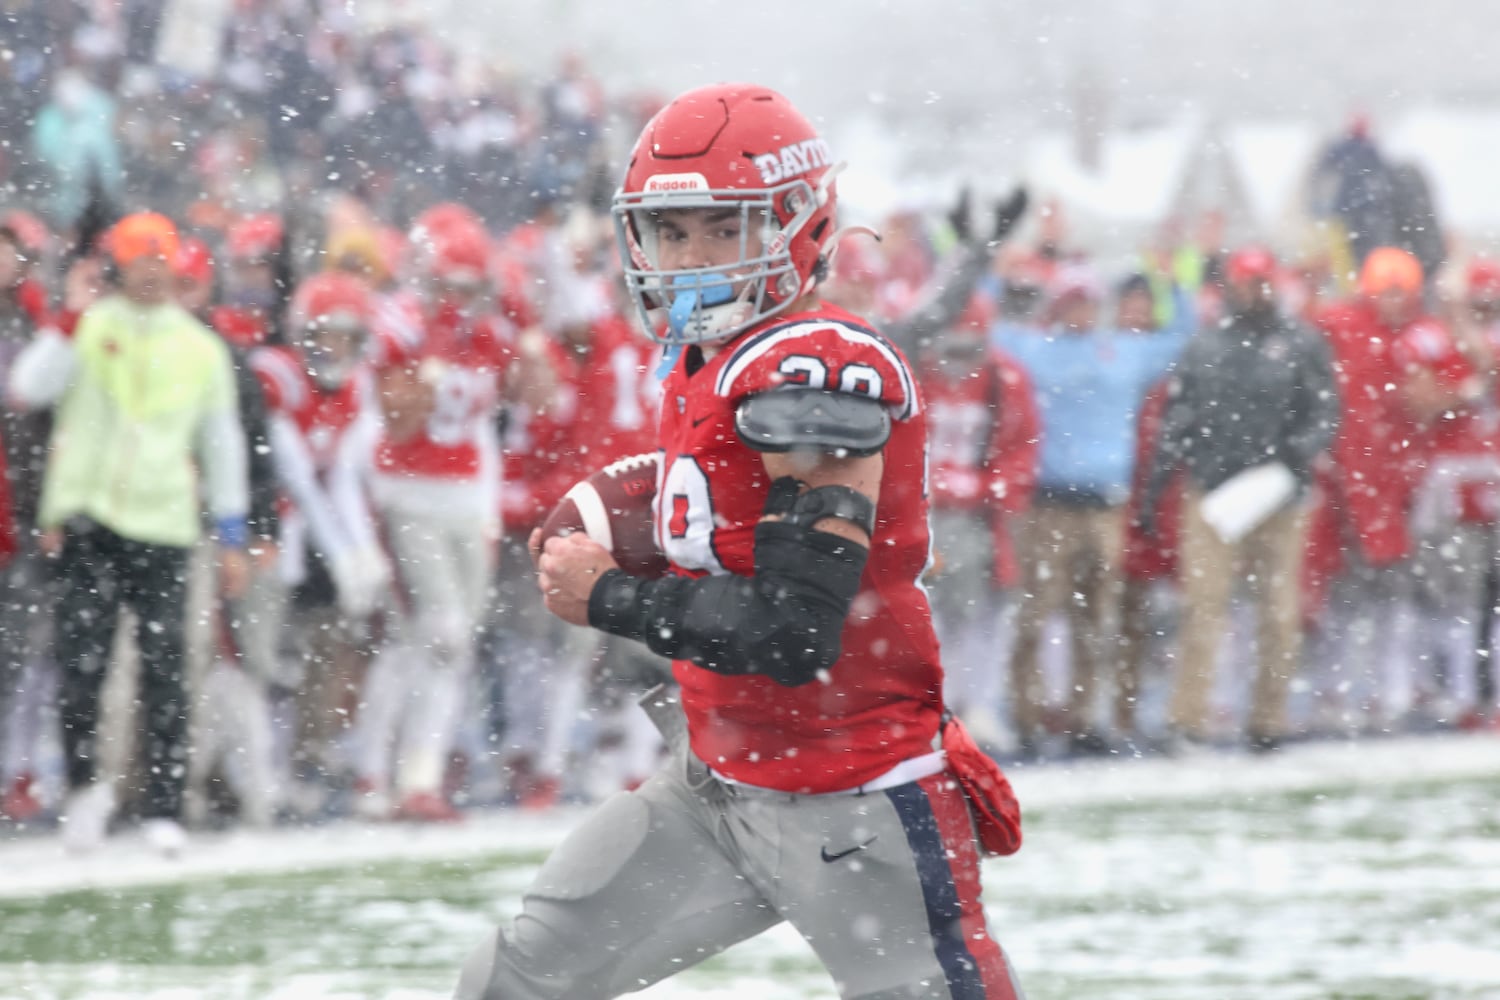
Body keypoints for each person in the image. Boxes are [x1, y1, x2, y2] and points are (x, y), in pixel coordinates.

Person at [456, 83, 1025, 1000]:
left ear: (798, 225)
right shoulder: (702, 359)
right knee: (518, 981)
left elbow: (796, 634)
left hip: (856, 795)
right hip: (716, 781)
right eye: (671, 232)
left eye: (723, 229)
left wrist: (612, 596)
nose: (689, 258)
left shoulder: (818, 371)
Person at [8, 211, 250, 854]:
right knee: (82, 664)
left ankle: (163, 804)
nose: (148, 271)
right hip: (88, 517)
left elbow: (221, 441)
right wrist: (69, 317)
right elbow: (28, 387)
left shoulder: (199, 346)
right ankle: (87, 790)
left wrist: (231, 531)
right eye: (135, 258)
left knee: (166, 667)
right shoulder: (87, 327)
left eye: (157, 259)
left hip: (165, 521)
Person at [1146, 247, 1340, 751]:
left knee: (1278, 611)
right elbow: (1179, 417)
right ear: (1230, 285)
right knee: (1204, 608)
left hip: (1280, 495)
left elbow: (1325, 410)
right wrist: (1160, 484)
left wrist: (1296, 454)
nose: (1255, 291)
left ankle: (1268, 721)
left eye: (1262, 282)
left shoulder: (1300, 342)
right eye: (1246, 282)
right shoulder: (1206, 345)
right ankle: (1188, 720)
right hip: (1212, 493)